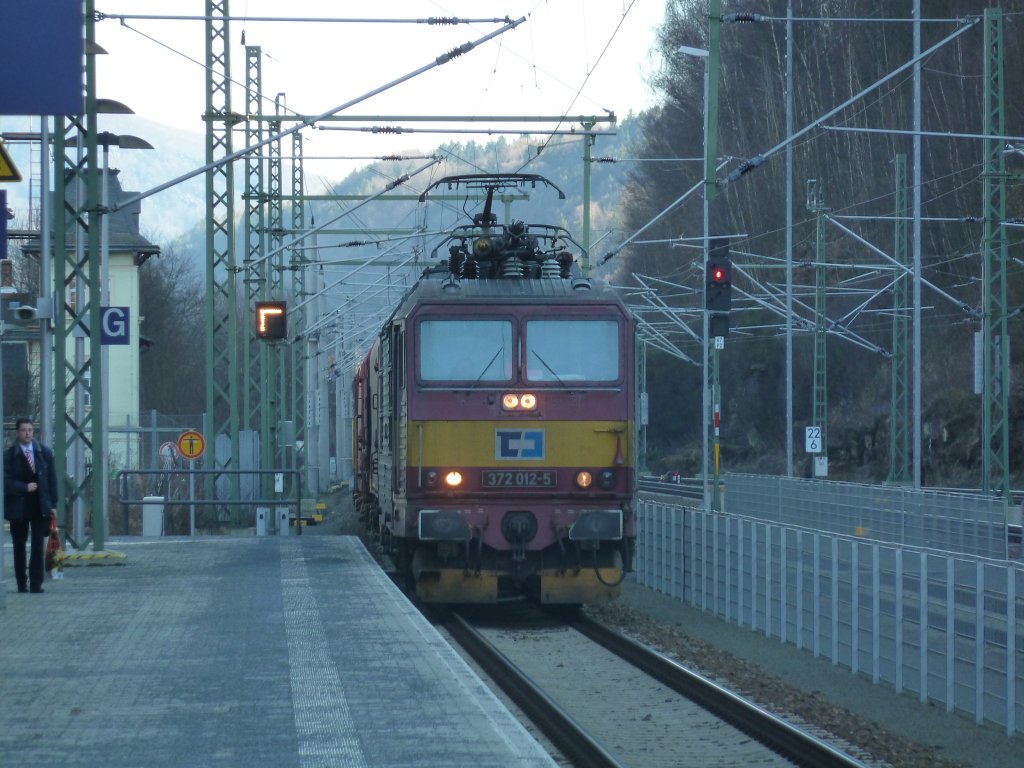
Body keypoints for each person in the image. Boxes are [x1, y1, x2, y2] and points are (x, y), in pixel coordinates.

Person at [3, 418, 57, 593]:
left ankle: (36, 583)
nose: (27, 433)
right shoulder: (9, 455)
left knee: (37, 545)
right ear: (17, 433)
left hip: (39, 505)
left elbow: (52, 481)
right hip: (18, 506)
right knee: (19, 545)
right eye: (23, 430)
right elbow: (5, 482)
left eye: (30, 430)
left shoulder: (44, 453)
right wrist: (24, 487)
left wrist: (53, 504)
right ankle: (21, 583)